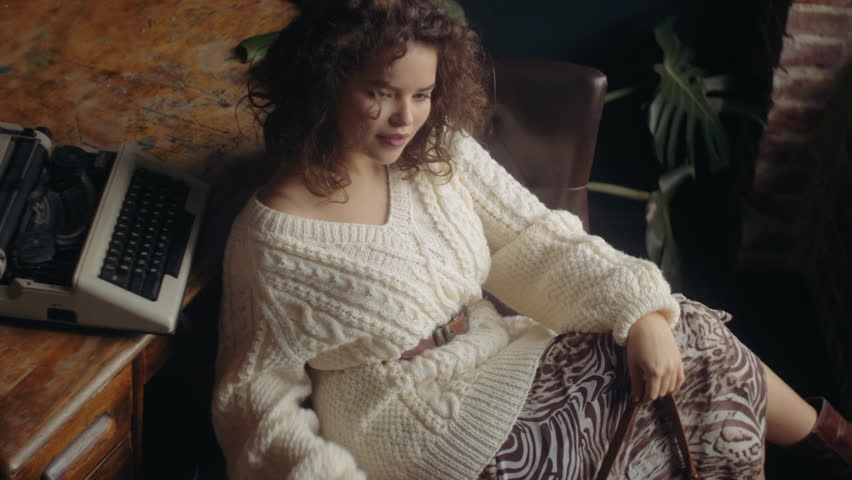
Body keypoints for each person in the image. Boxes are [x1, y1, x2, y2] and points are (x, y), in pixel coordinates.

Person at [211, 1, 852, 478]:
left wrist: (642, 312)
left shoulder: (439, 157)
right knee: (684, 365)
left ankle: (833, 445)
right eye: (381, 94)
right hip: (421, 430)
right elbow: (257, 401)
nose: (406, 118)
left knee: (683, 338)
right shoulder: (274, 240)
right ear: (327, 83)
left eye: (423, 95)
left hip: (505, 359)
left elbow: (533, 241)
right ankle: (833, 445)